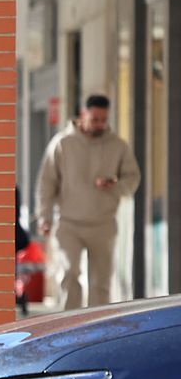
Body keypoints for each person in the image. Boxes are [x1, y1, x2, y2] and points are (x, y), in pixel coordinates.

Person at [35, 94, 141, 309]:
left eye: (104, 119)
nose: (100, 124)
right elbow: (47, 183)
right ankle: (69, 328)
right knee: (69, 275)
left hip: (103, 223)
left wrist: (115, 186)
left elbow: (133, 178)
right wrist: (44, 217)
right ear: (83, 115)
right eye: (95, 119)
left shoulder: (118, 146)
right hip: (68, 223)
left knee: (100, 283)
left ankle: (98, 332)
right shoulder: (63, 143)